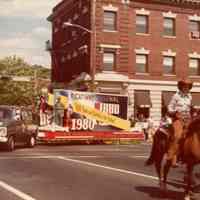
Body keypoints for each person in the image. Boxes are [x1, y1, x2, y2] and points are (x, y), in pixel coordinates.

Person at [145, 78, 193, 167]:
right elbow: (170, 107)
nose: (186, 88)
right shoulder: (176, 96)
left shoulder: (190, 96)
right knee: (178, 135)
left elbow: (189, 108)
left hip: (187, 118)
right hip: (177, 118)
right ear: (181, 87)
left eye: (188, 86)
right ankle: (171, 156)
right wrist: (175, 113)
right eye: (184, 86)